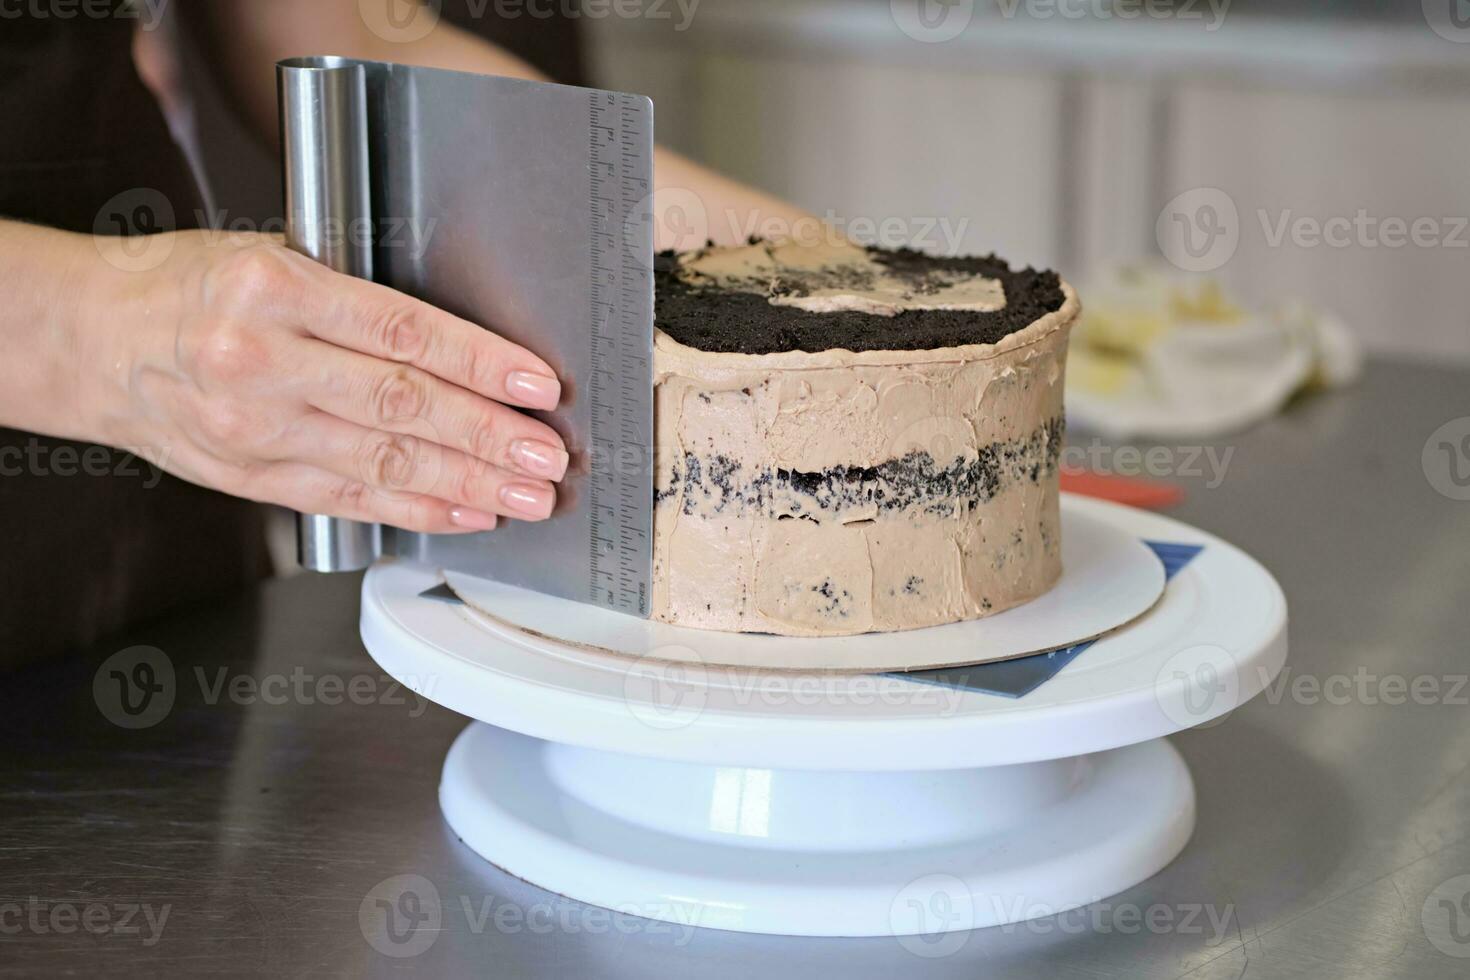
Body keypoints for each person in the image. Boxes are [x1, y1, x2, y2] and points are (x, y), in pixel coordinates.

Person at [0, 1, 806, 665]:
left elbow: (342, 37)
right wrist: (91, 328)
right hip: (161, 379)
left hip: (152, 551)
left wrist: (819, 266)